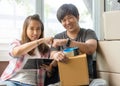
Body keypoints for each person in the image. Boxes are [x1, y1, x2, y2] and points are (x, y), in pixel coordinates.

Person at [50, 4, 107, 86]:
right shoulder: (58, 37)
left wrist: (67, 42)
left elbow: (90, 49)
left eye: (70, 18)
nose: (67, 22)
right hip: (65, 81)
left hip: (87, 81)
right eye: (64, 20)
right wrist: (57, 55)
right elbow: (52, 53)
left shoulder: (88, 33)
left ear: (77, 17)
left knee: (102, 83)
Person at [0, 14, 54, 86]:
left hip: (31, 83)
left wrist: (49, 70)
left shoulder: (45, 50)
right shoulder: (17, 42)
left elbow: (49, 75)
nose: (35, 32)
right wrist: (41, 40)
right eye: (31, 28)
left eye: (38, 29)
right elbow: (16, 52)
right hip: (12, 80)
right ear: (25, 29)